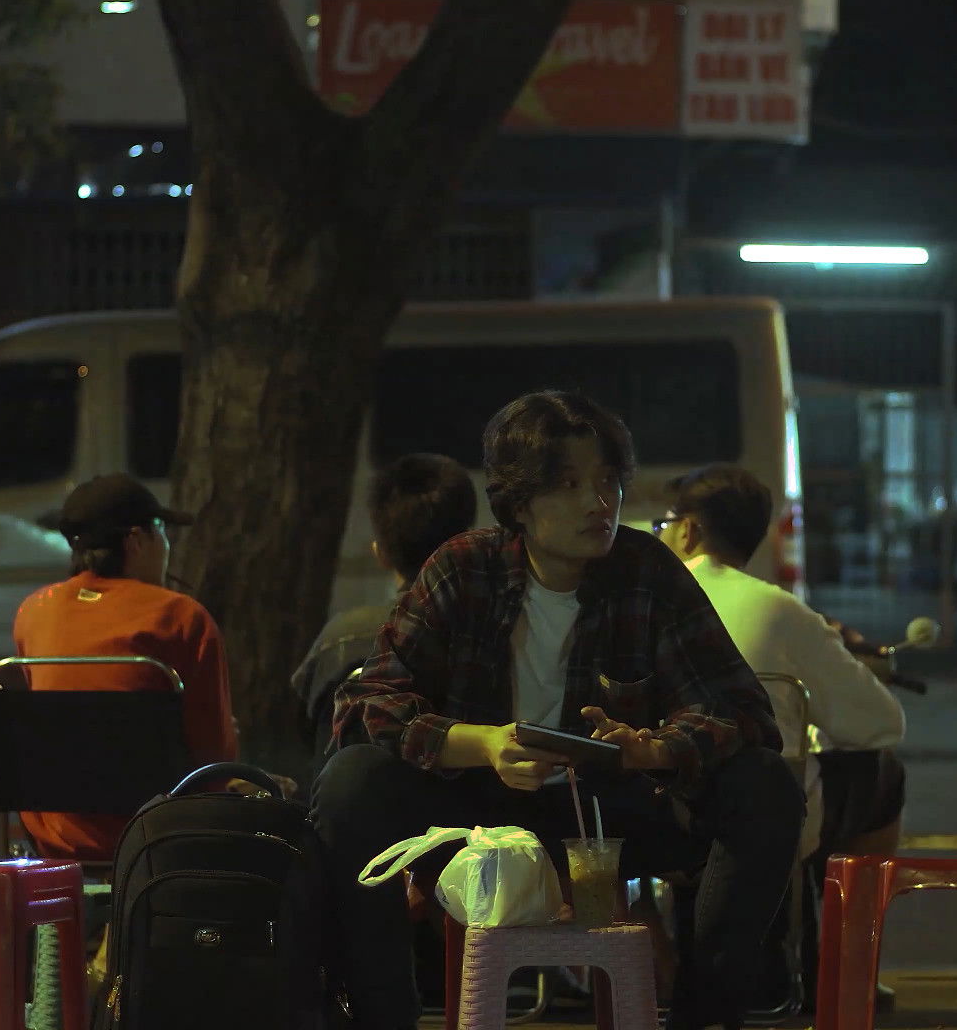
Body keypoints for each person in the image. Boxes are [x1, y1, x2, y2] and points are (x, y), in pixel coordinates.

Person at [316, 390, 802, 1030]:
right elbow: (366, 703)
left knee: (765, 783)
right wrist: (482, 743)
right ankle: (383, 1017)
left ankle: (703, 1017)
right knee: (352, 781)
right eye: (570, 485)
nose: (598, 502)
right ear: (519, 502)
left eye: (607, 481)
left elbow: (741, 710)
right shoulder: (465, 568)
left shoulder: (645, 569)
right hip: (476, 820)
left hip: (604, 817)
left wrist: (654, 749)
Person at [653, 463, 908, 861]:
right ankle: (848, 901)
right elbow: (881, 724)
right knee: (885, 772)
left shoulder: (645, 602)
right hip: (769, 819)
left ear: (687, 530)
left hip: (659, 816)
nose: (659, 535)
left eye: (661, 526)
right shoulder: (782, 610)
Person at [10, 473, 241, 862]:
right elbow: (212, 761)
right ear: (136, 540)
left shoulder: (33, 612)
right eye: (161, 530)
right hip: (157, 838)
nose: (167, 544)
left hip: (56, 844)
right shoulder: (181, 618)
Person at [291, 453, 477, 784]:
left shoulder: (343, 635)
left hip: (350, 804)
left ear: (381, 553)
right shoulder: (485, 630)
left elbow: (306, 734)